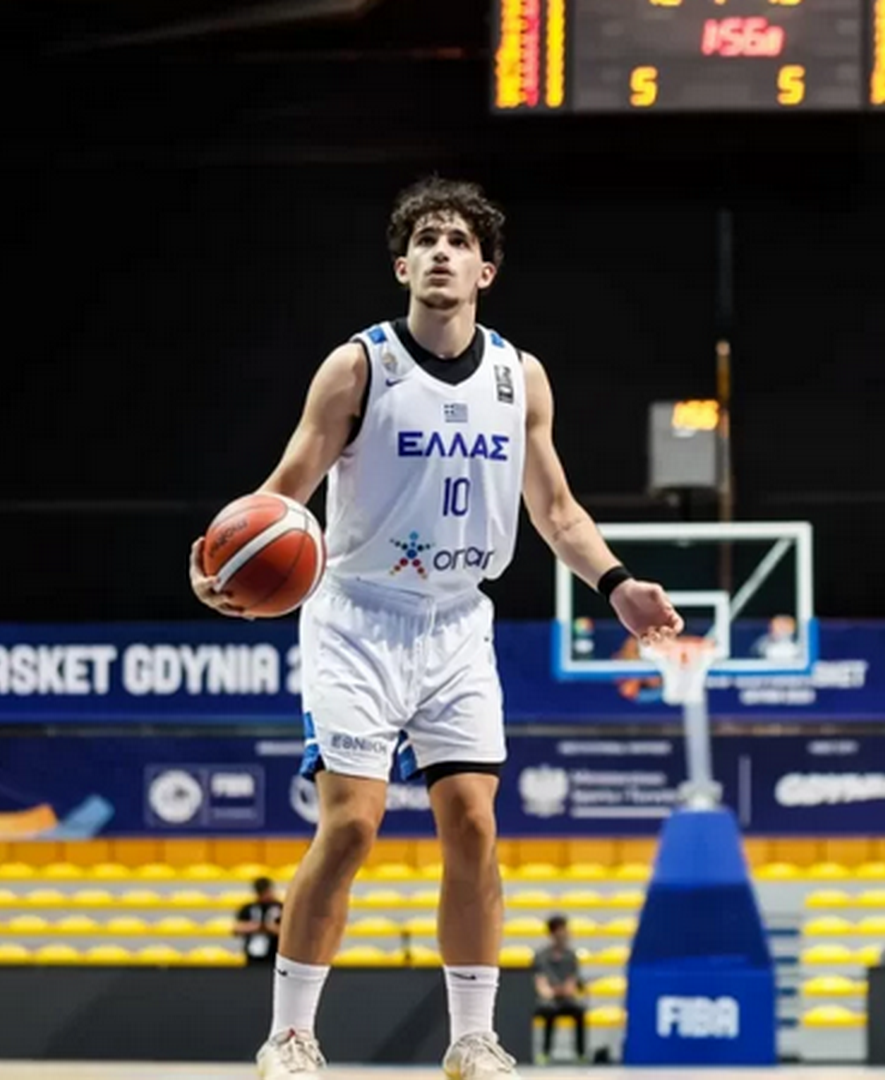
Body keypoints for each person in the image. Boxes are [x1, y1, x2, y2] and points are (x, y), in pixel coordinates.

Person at [189, 177, 682, 1079]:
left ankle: (472, 1037)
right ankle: (291, 1035)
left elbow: (557, 510)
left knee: (475, 824)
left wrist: (616, 584)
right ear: (402, 266)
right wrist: (223, 561)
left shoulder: (519, 377)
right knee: (352, 826)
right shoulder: (358, 367)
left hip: (457, 620)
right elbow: (284, 493)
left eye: (459, 241)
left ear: (486, 271)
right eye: (426, 240)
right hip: (357, 615)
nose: (442, 252)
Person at [532, 915, 587, 1064]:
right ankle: (545, 1053)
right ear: (553, 932)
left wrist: (567, 989)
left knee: (579, 1010)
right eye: (562, 930)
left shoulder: (571, 956)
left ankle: (581, 1053)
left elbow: (573, 981)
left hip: (566, 999)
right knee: (549, 1010)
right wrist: (550, 991)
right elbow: (540, 981)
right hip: (547, 1000)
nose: (565, 934)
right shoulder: (541, 956)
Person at [235, 876, 284, 965]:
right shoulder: (248, 908)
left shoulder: (281, 907)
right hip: (252, 957)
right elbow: (237, 929)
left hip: (275, 956)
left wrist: (271, 928)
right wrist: (256, 927)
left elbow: (289, 932)